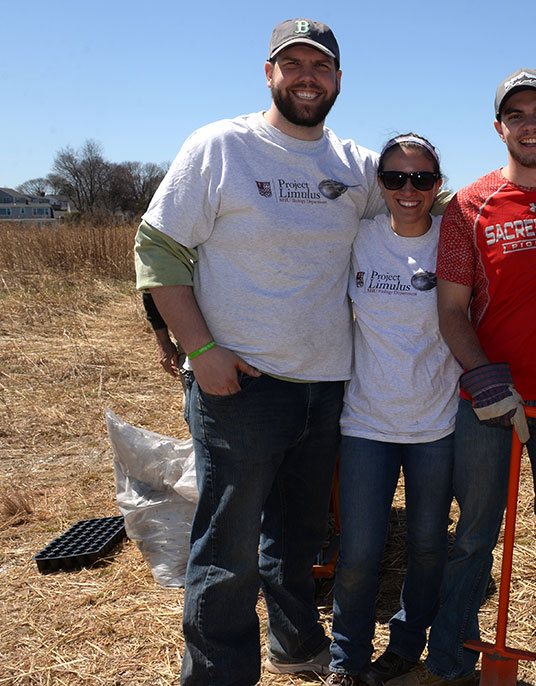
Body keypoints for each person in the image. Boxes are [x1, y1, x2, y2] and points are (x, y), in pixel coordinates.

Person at [133, 19, 383, 685]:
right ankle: (218, 673)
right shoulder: (221, 146)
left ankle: (296, 644)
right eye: (292, 64)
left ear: (338, 79)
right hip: (240, 387)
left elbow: (430, 200)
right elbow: (158, 247)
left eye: (320, 66)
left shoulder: (356, 165)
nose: (307, 77)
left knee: (298, 537)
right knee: (229, 548)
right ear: (268, 73)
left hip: (325, 386)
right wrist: (200, 350)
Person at [424, 68, 536, 686]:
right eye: (516, 114)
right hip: (488, 399)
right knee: (474, 535)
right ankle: (450, 660)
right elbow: (451, 310)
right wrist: (488, 382)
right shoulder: (467, 207)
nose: (530, 125)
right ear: (499, 127)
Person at [323, 134, 459, 686]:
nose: (409, 189)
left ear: (437, 185)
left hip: (436, 424)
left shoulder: (454, 241)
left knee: (428, 547)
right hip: (366, 423)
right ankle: (347, 660)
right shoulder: (359, 238)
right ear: (379, 184)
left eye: (422, 179)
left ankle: (406, 645)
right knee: (358, 553)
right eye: (395, 178)